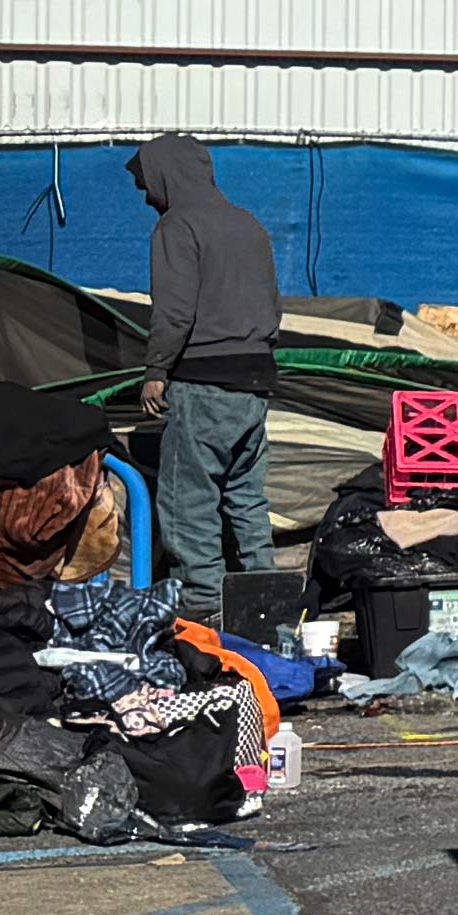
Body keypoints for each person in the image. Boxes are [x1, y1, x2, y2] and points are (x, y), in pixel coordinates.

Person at [127, 136, 284, 626]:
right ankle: (269, 606)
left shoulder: (178, 227)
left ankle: (204, 613)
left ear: (165, 175)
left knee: (187, 501)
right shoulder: (249, 225)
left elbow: (173, 312)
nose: (146, 196)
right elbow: (272, 308)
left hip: (203, 380)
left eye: (146, 183)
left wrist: (156, 372)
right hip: (254, 384)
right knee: (246, 499)